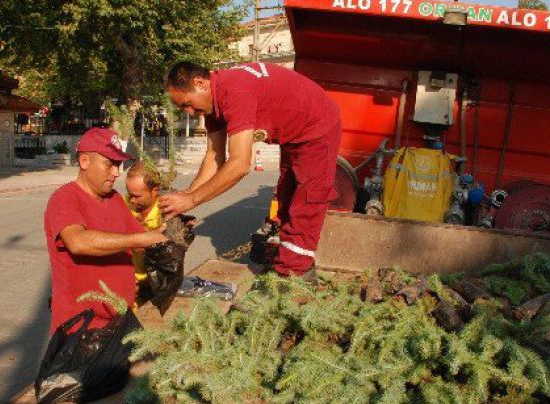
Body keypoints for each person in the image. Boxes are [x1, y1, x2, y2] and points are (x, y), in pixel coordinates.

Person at [161, 61, 341, 277]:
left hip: (318, 127)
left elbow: (239, 164)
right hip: (293, 136)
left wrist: (192, 200)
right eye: (183, 108)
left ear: (200, 83)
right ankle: (290, 261)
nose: (190, 113)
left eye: (187, 104)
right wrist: (188, 195)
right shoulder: (211, 104)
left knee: (307, 202)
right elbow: (214, 156)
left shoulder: (235, 91)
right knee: (286, 197)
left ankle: (294, 276)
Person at [43, 127, 167, 334]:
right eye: (109, 164)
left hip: (120, 321)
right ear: (84, 161)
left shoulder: (115, 199)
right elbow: (77, 242)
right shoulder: (64, 198)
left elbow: (141, 242)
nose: (116, 173)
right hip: (81, 329)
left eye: (118, 165)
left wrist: (168, 233)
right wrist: (141, 240)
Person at [125, 161, 163, 285]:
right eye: (129, 194)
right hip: (128, 279)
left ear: (155, 190)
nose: (132, 200)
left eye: (137, 196)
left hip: (156, 283)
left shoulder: (165, 213)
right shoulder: (123, 204)